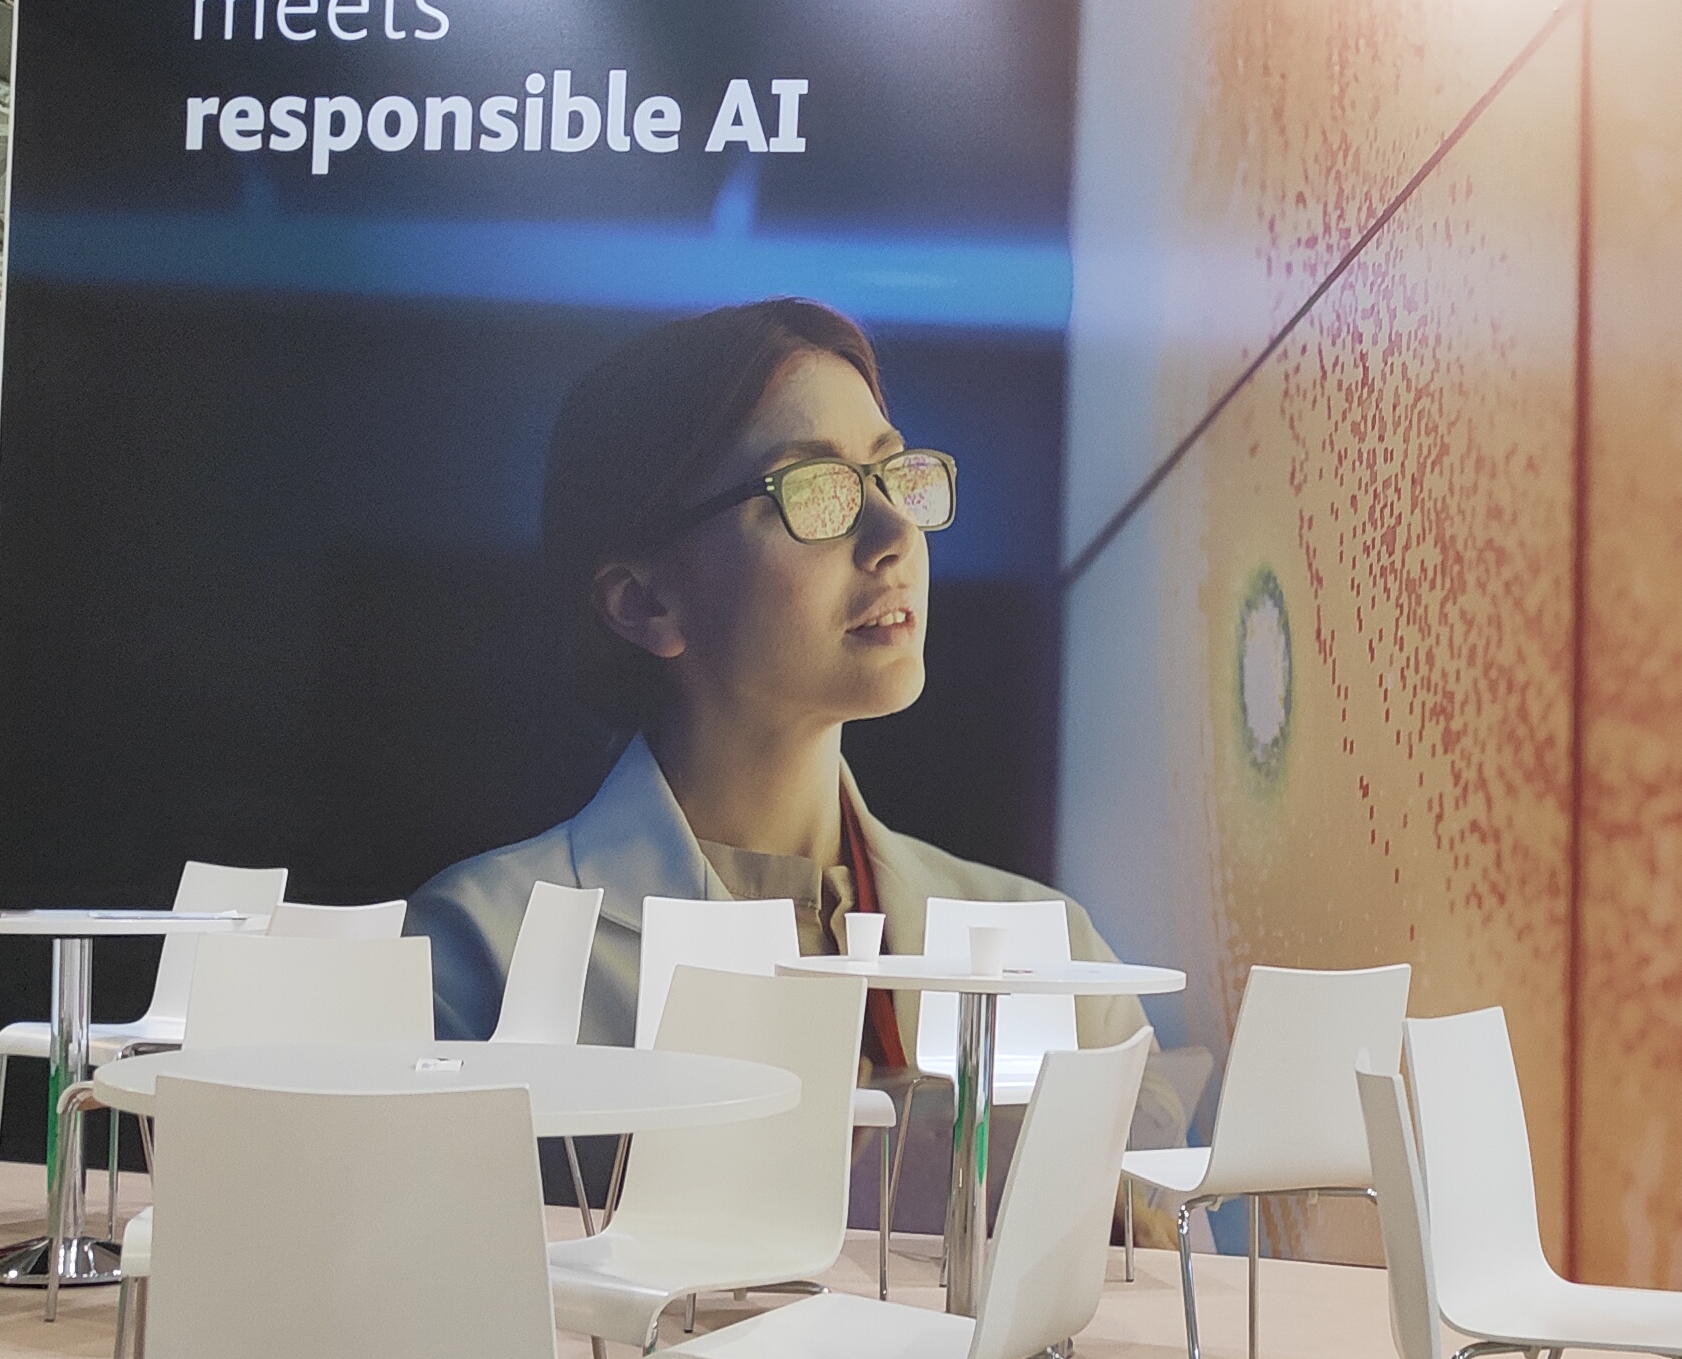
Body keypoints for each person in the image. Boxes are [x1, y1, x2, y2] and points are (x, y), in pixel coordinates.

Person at [409, 298, 1189, 1131]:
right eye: (818, 492)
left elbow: (1177, 1217)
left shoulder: (1056, 958)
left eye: (892, 473)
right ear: (643, 602)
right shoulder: (480, 955)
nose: (894, 534)